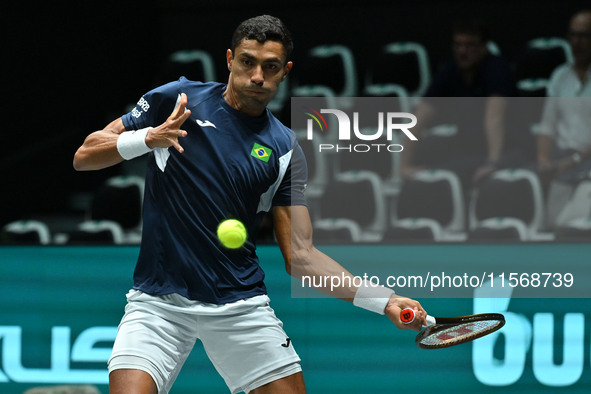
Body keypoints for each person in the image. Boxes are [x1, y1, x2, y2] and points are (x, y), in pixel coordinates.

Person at [73, 15, 426, 394]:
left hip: (239, 306)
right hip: (159, 303)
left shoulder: (284, 148)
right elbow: (85, 155)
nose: (257, 75)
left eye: (270, 66)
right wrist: (147, 138)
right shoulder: (176, 100)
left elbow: (302, 256)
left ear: (285, 72)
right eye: (247, 62)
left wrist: (385, 300)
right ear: (229, 59)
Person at [401, 18, 519, 189]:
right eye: (458, 45)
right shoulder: (450, 72)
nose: (463, 51)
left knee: (444, 178)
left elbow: (494, 117)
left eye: (470, 45)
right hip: (469, 152)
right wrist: (404, 166)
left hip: (509, 150)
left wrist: (493, 163)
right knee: (428, 173)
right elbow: (419, 117)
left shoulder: (497, 69)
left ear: (484, 46)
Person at [537, 10, 591, 229]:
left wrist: (575, 160)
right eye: (573, 36)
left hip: (583, 161)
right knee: (553, 225)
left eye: (584, 36)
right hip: (563, 162)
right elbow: (547, 127)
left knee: (577, 226)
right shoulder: (560, 76)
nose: (576, 42)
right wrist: (542, 159)